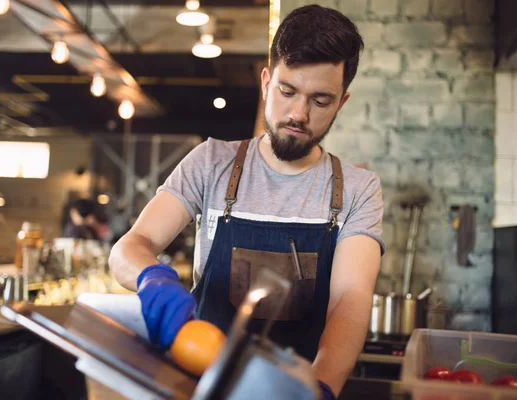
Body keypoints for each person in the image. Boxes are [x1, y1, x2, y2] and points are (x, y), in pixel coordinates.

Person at [109, 5, 384, 399]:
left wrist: (320, 387)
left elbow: (349, 301)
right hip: (199, 384)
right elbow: (129, 249)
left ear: (341, 101)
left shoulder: (357, 189)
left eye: (320, 101)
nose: (298, 114)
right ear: (266, 82)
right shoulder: (211, 163)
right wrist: (150, 277)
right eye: (287, 92)